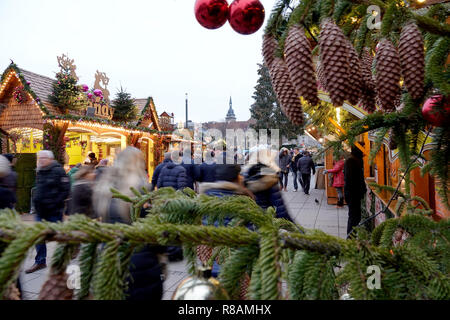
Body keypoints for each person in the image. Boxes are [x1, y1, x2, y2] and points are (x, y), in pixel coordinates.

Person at [93, 146, 164, 299]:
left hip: (110, 257)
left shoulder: (104, 188)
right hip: (140, 262)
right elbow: (153, 229)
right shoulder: (141, 189)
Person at [25, 150, 70, 274]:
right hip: (40, 212)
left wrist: (55, 203)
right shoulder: (40, 171)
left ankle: (62, 260)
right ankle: (40, 261)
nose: (40, 160)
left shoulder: (58, 171)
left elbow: (66, 190)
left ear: (50, 159)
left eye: (43, 157)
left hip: (54, 212)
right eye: (39, 157)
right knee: (39, 237)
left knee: (59, 237)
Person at [243, 148, 293, 222]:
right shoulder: (269, 175)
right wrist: (291, 225)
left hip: (247, 219)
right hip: (266, 219)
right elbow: (279, 207)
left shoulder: (243, 174)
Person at [344, 145, 367, 238]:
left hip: (353, 193)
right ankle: (350, 237)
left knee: (355, 217)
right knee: (354, 217)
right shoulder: (351, 161)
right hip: (353, 194)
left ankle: (351, 236)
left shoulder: (352, 160)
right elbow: (352, 180)